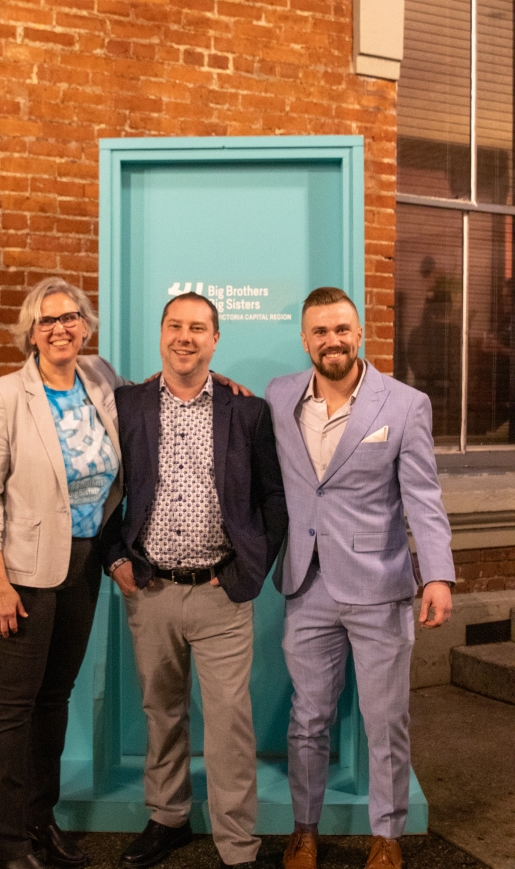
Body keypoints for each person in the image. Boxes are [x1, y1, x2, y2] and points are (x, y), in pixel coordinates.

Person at [265, 287, 455, 869]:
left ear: (359, 333)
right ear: (304, 339)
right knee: (307, 719)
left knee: (385, 720)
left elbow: (423, 496)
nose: (333, 341)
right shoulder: (278, 396)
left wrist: (437, 575)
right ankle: (304, 830)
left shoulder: (404, 404)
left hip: (380, 585)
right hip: (306, 583)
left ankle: (387, 836)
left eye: (342, 329)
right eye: (321, 331)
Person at [101, 291, 289, 869]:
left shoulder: (248, 411)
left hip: (220, 594)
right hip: (151, 590)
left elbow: (273, 498)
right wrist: (114, 558)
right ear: (162, 333)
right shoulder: (126, 404)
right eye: (176, 326)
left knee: (230, 723)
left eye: (198, 328)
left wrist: (247, 571)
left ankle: (237, 844)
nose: (185, 337)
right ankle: (168, 817)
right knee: (162, 712)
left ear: (215, 339)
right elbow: (102, 487)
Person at [0, 276, 125, 869]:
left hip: (82, 561)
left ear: (85, 325)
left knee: (54, 699)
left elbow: (154, 400)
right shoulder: (2, 397)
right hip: (19, 571)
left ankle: (39, 820)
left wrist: (219, 382)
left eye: (70, 317)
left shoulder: (100, 378)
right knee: (12, 709)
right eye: (47, 320)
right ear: (30, 333)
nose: (60, 328)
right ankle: (5, 844)